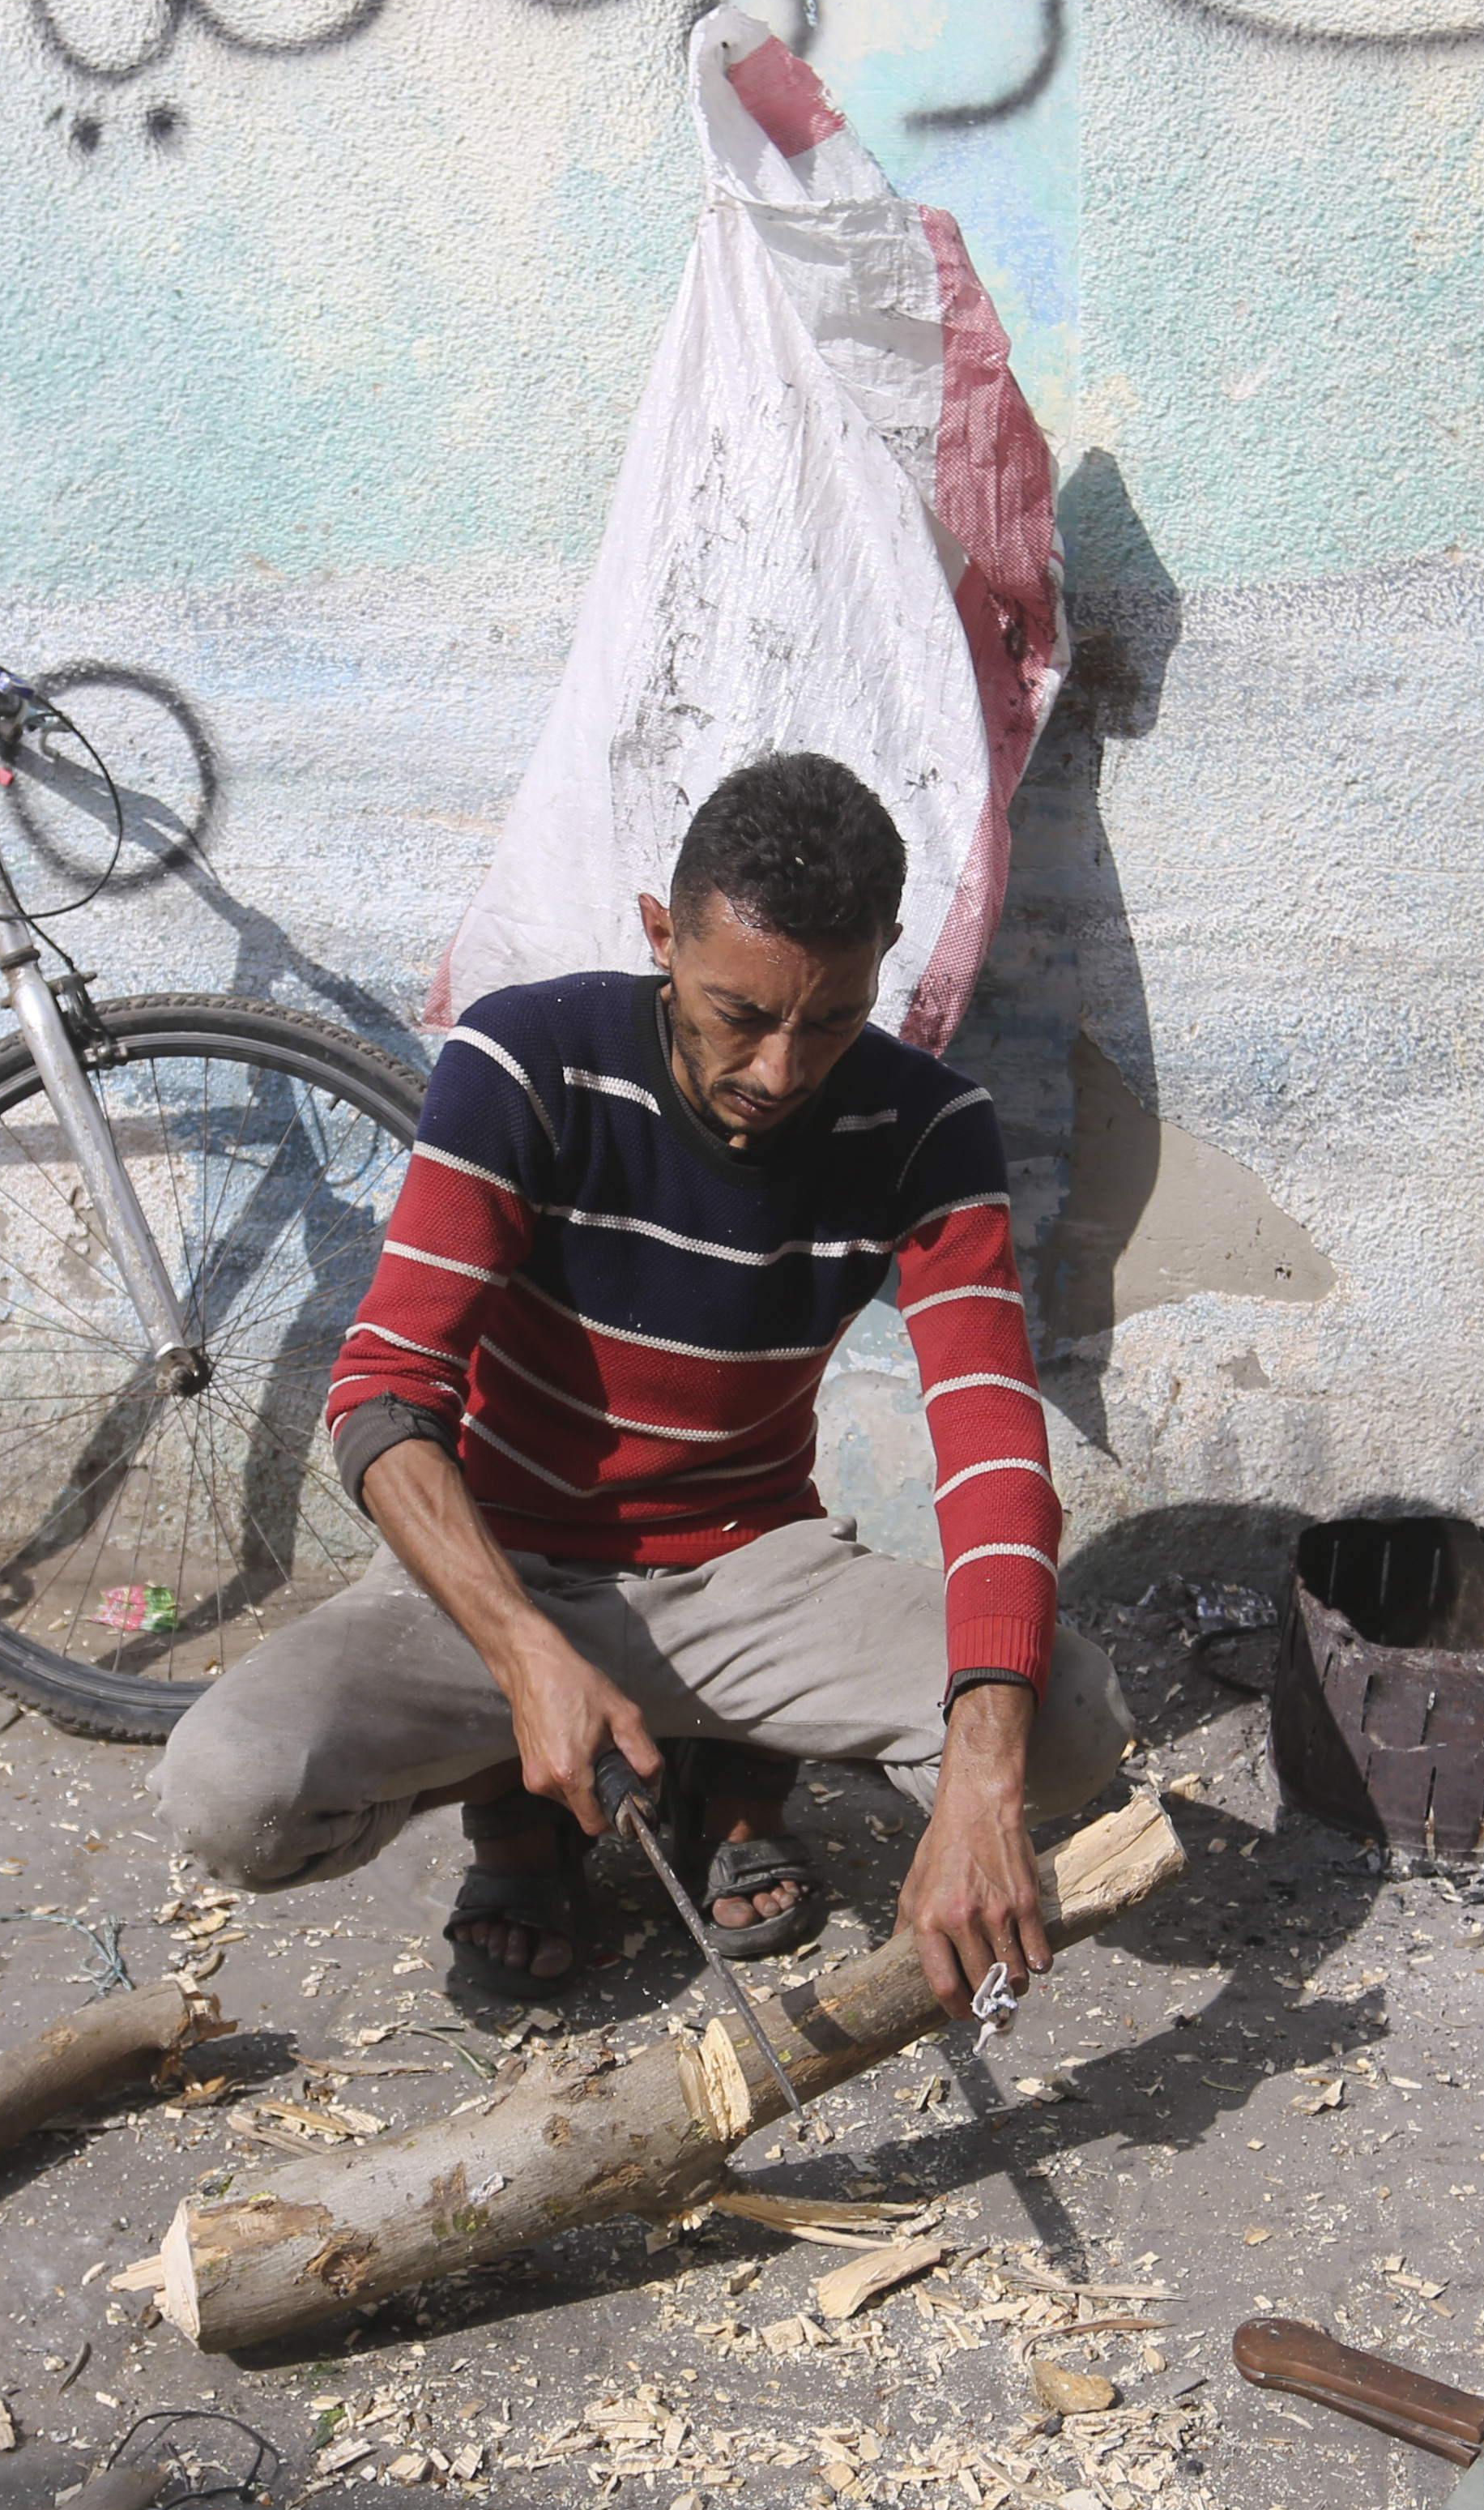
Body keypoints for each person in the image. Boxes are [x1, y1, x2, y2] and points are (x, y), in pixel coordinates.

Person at [158, 751, 1132, 2014]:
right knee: (229, 1795)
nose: (779, 1072)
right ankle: (519, 1794)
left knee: (1067, 1726)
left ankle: (727, 1763)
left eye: (830, 1021)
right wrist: (526, 1658)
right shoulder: (527, 1059)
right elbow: (383, 1395)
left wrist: (983, 1786)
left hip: (751, 1572)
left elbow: (994, 1448)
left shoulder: (928, 1127)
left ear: (886, 957)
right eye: (740, 1013)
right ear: (662, 936)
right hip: (508, 1565)